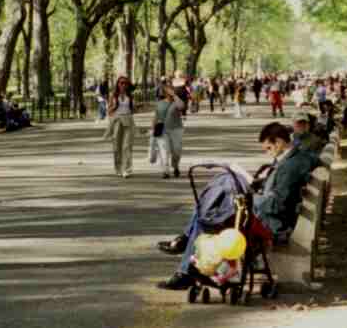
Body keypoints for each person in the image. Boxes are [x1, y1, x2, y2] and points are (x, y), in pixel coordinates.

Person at [154, 122, 318, 289]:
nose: (268, 153)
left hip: (271, 223)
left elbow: (276, 205)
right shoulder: (292, 159)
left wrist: (248, 197)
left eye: (269, 148)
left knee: (212, 211)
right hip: (263, 214)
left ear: (279, 142)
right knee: (220, 191)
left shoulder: (291, 165)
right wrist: (256, 185)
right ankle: (185, 262)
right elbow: (279, 190)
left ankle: (185, 253)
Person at [104, 74, 137, 178]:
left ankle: (127, 169)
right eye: (121, 83)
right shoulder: (113, 96)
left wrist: (137, 107)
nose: (123, 85)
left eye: (125, 83)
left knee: (127, 146)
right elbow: (108, 112)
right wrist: (114, 107)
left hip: (128, 121)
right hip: (117, 121)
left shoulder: (130, 97)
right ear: (118, 84)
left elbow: (132, 110)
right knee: (117, 147)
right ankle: (118, 168)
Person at [152, 83, 186, 178]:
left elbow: (182, 106)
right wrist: (153, 130)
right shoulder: (160, 103)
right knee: (164, 150)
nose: (170, 92)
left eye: (172, 90)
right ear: (164, 92)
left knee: (177, 150)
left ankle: (175, 166)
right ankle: (165, 171)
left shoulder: (176, 102)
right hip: (163, 130)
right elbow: (156, 117)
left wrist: (175, 96)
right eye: (168, 90)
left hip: (176, 129)